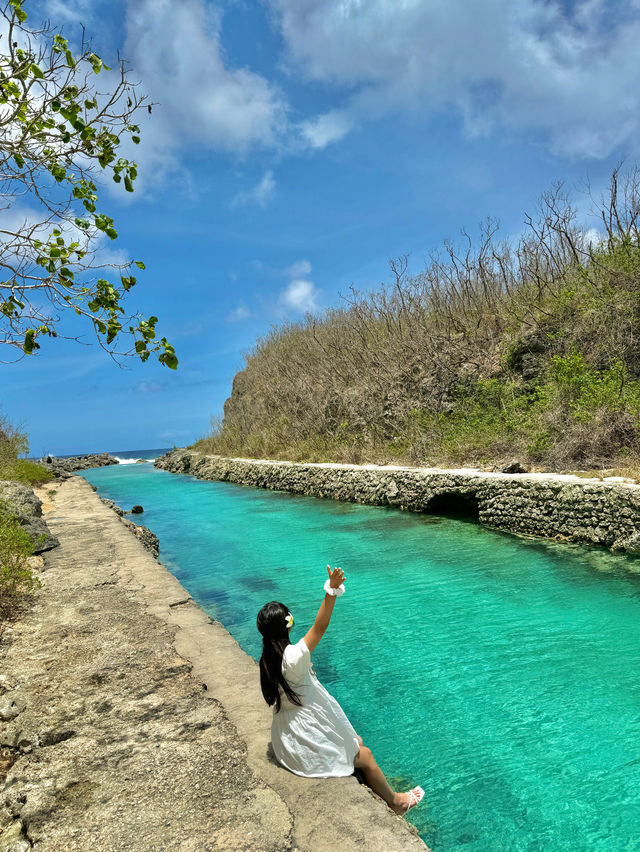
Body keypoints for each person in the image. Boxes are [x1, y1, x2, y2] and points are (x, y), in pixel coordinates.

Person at [257, 564, 424, 816]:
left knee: (354, 742)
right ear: (288, 624)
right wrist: (331, 591)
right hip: (306, 731)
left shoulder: (266, 659)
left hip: (287, 735)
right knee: (364, 754)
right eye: (290, 616)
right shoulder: (293, 657)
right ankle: (396, 801)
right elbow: (320, 626)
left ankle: (372, 786)